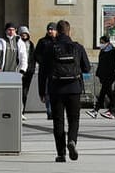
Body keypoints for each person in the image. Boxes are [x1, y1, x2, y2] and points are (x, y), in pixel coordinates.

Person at [39, 18, 90, 161]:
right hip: (74, 88)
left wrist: (42, 91)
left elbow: (43, 72)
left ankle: (61, 153)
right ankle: (72, 141)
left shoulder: (50, 48)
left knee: (58, 121)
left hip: (55, 89)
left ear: (57, 32)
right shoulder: (77, 47)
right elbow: (87, 67)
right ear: (69, 31)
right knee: (74, 119)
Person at [89, 33, 115, 116]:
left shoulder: (112, 51)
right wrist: (99, 73)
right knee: (109, 93)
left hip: (109, 76)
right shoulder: (103, 51)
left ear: (107, 42)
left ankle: (96, 110)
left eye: (102, 42)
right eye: (100, 42)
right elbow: (101, 63)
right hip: (103, 75)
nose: (101, 44)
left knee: (103, 93)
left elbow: (112, 64)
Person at [35, 23, 58, 117]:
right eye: (49, 29)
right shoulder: (42, 41)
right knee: (47, 91)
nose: (50, 31)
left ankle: (55, 110)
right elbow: (36, 54)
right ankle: (49, 111)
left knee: (55, 92)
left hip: (57, 70)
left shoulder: (58, 41)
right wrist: (42, 62)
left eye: (52, 29)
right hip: (45, 70)